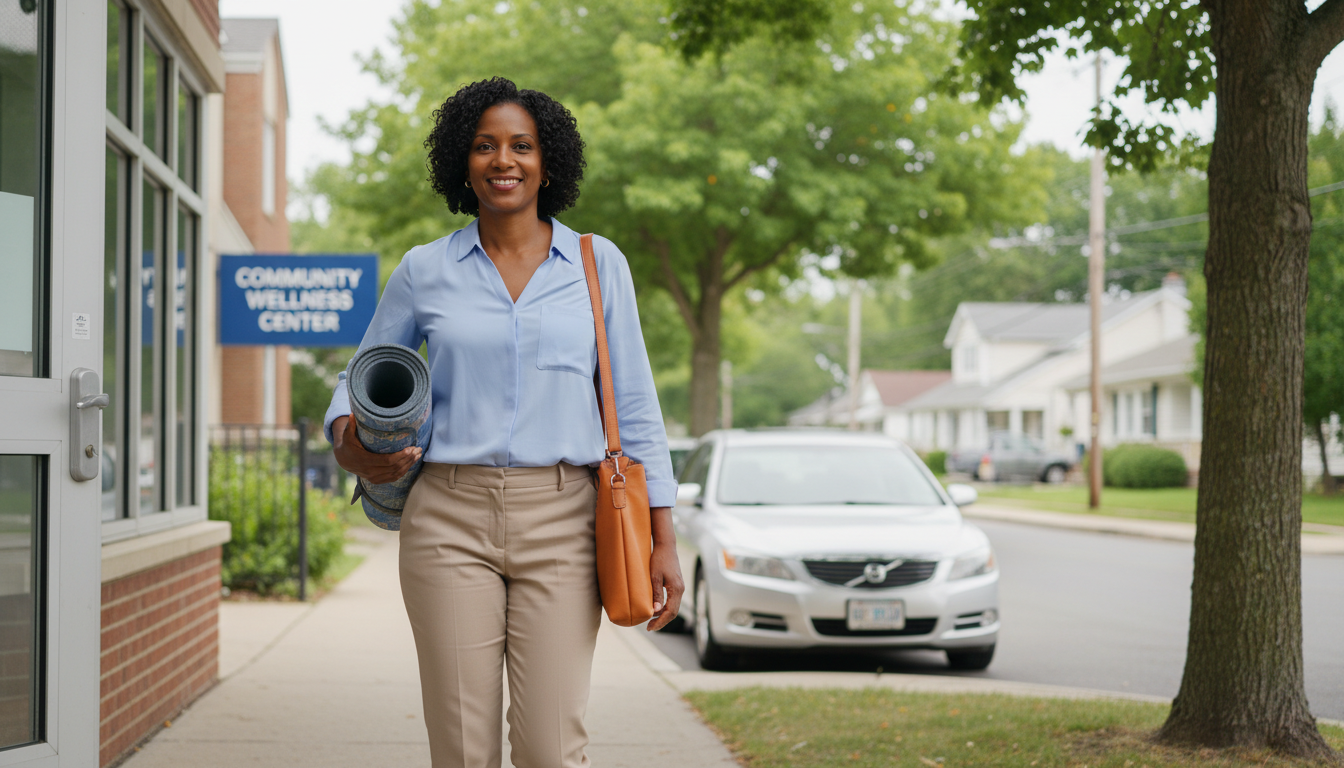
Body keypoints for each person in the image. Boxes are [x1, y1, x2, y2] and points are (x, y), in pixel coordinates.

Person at [324, 77, 684, 768]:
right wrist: (353, 449)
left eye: (522, 145)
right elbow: (357, 377)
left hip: (566, 518)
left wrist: (662, 539)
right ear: (463, 160)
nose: (504, 160)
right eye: (485, 146)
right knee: (462, 747)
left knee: (551, 746)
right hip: (449, 516)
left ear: (549, 163)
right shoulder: (425, 270)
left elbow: (635, 403)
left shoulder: (596, 263)